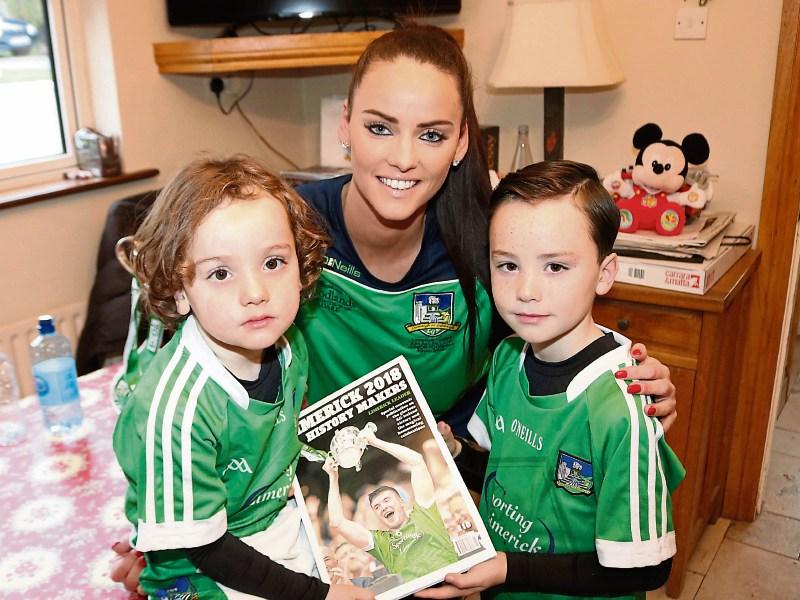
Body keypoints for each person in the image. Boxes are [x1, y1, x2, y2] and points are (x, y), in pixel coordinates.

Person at [111, 22, 678, 592]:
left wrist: (636, 384)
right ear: (346, 127)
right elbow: (179, 377)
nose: (404, 158)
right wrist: (167, 539)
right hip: (287, 503)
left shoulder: (491, 243)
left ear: (461, 145)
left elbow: (555, 340)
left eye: (432, 135)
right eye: (380, 127)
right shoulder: (280, 232)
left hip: (436, 490)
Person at [419, 161, 686, 600]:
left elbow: (645, 568)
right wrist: (453, 452)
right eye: (507, 265)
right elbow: (507, 470)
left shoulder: (621, 408)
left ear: (604, 273)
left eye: (556, 267)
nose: (526, 289)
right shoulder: (506, 359)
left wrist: (508, 568)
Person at [112, 155, 372, 600]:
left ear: (301, 261)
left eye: (273, 263)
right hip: (204, 558)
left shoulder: (289, 345)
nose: (256, 294)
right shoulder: (179, 408)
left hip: (269, 516)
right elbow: (207, 549)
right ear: (179, 291)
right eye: (220, 273)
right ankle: (150, 558)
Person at [323, 426, 457, 583]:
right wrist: (333, 477)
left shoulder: (425, 512)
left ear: (402, 501)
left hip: (452, 579)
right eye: (377, 507)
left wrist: (375, 441)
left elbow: (417, 461)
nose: (383, 507)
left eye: (387, 500)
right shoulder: (382, 543)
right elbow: (337, 522)